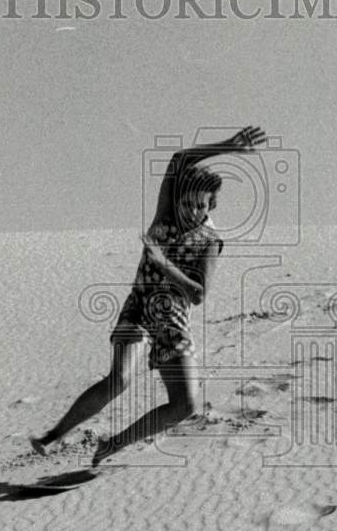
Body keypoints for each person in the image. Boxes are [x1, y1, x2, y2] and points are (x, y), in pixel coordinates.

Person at [30, 125, 268, 468]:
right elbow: (179, 159)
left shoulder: (210, 241)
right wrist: (229, 147)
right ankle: (51, 436)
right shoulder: (166, 215)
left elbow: (199, 293)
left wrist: (164, 264)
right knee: (119, 380)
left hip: (173, 321)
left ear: (211, 204)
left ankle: (113, 445)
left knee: (185, 405)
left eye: (199, 205)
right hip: (139, 309)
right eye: (186, 202)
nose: (191, 210)